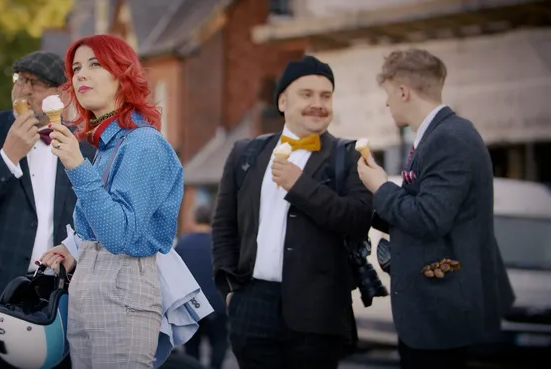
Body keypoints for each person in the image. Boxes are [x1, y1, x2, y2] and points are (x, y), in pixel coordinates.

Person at [356, 48, 515, 369]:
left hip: (442, 314)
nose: (386, 104)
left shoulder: (450, 138)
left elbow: (429, 218)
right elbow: (418, 210)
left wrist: (380, 186)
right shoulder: (438, 135)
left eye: (388, 95)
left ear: (403, 91)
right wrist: (366, 201)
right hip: (434, 312)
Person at [211, 55, 373, 369]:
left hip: (320, 315)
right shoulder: (246, 153)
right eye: (307, 94)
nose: (318, 104)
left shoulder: (351, 155)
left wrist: (299, 186)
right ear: (283, 101)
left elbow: (357, 220)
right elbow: (224, 226)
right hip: (252, 306)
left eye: (326, 96)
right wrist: (231, 290)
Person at [38, 34, 184, 369]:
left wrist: (76, 165)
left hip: (123, 288)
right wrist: (73, 249)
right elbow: (104, 224)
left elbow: (119, 234)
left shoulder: (144, 143)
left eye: (94, 64)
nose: (80, 75)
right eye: (75, 68)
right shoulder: (106, 146)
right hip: (90, 284)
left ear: (122, 74)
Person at [0, 50, 95, 369]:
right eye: (21, 80)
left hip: (59, 298)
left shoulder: (84, 143)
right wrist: (7, 157)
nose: (25, 90)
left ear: (61, 95)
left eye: (38, 84)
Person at [175, 205, 228, 369]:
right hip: (217, 304)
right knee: (219, 345)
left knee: (191, 350)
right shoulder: (221, 242)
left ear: (194, 219)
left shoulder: (183, 243)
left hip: (191, 306)